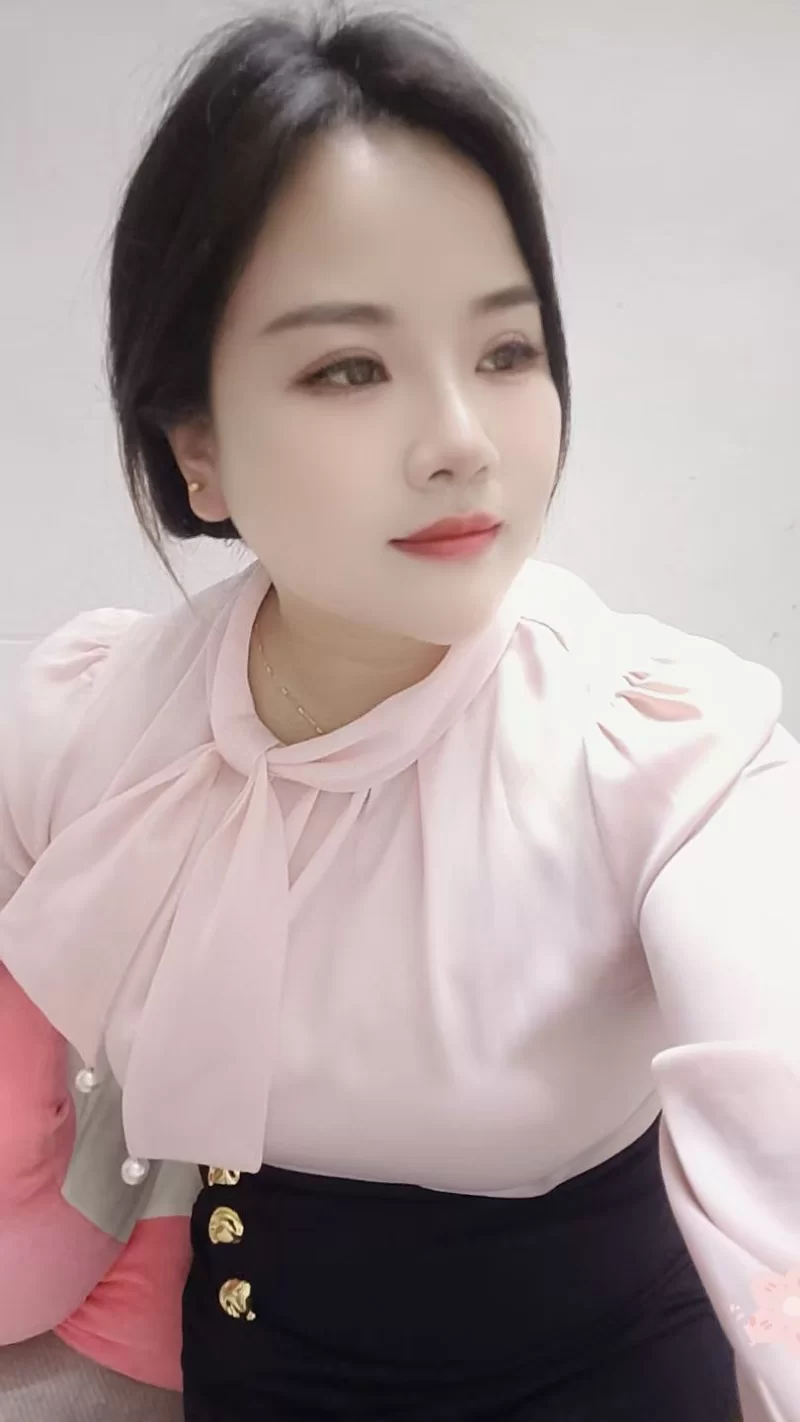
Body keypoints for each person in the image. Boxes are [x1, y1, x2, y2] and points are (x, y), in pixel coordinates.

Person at [0, 6, 798, 1420]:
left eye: (507, 350)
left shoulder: (662, 754)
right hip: (255, 1376)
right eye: (348, 368)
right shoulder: (91, 727)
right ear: (197, 449)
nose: (462, 443)